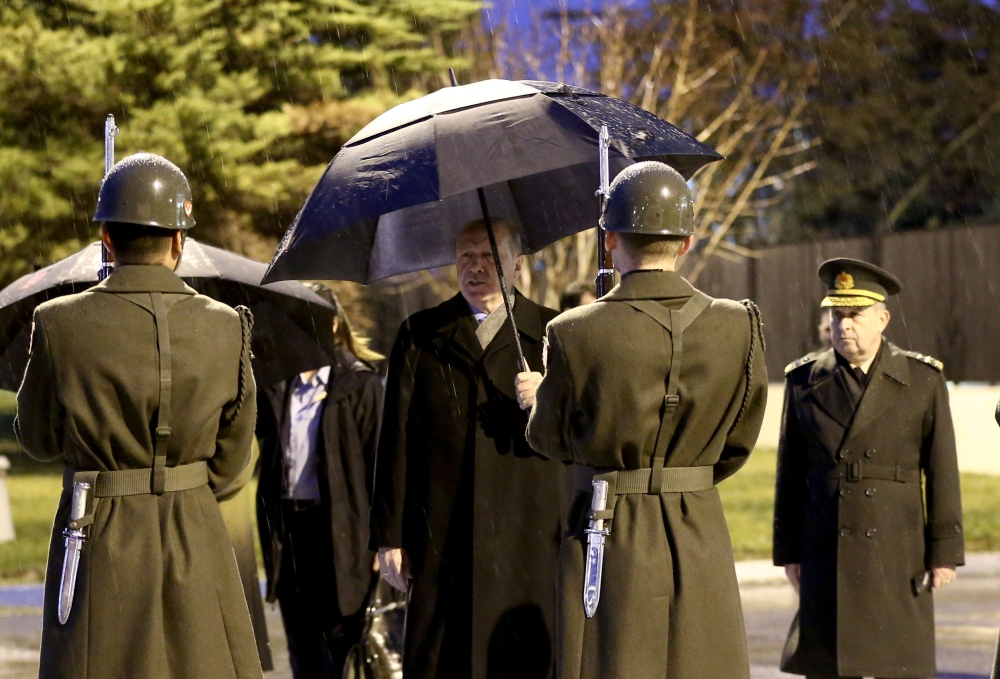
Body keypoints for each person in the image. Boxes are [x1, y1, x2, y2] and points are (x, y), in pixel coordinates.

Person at [516, 161, 768, 679]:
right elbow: (740, 440)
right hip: (699, 526)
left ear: (610, 240)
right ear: (688, 242)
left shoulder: (573, 332)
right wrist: (683, 478)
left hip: (611, 530)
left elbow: (548, 439)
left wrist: (540, 394)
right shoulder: (739, 324)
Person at [16, 153, 262, 679]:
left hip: (98, 531)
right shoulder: (226, 327)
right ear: (179, 240)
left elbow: (37, 440)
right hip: (195, 530)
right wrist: (180, 486)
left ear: (106, 236)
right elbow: (232, 461)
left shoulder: (58, 323)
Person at [370, 218, 569, 679]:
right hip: (443, 529)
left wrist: (549, 398)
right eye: (466, 257)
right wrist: (389, 537)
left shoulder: (553, 334)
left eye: (489, 258)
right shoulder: (420, 334)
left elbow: (583, 433)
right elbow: (394, 438)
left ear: (516, 265)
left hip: (529, 531)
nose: (476, 268)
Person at [773, 258, 963, 679]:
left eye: (854, 315)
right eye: (836, 315)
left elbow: (942, 470)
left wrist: (944, 551)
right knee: (831, 665)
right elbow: (790, 473)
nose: (844, 326)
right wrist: (788, 551)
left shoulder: (922, 380)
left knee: (898, 662)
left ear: (883, 318)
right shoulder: (804, 382)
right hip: (827, 545)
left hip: (898, 547)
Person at [255, 283, 384, 679]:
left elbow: (380, 466)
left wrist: (384, 540)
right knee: (302, 645)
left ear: (332, 323)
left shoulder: (358, 384)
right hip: (290, 531)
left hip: (343, 530)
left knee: (341, 644)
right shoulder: (277, 384)